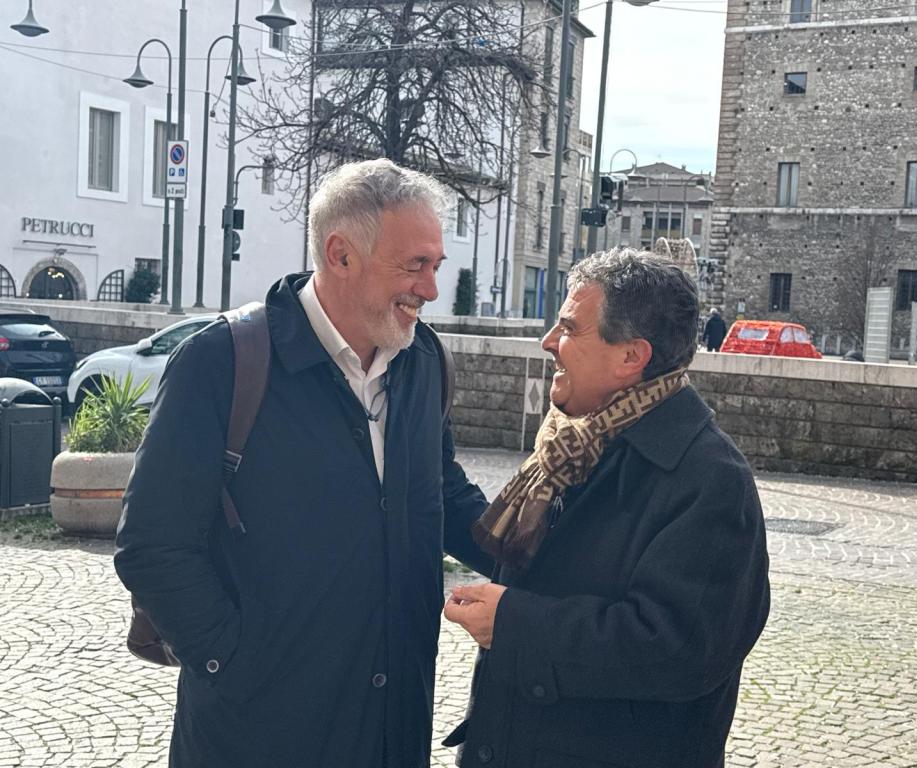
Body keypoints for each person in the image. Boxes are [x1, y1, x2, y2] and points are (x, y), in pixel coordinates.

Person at [115, 159, 491, 768]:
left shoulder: (421, 357)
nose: (430, 288)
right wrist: (232, 663)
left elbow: (441, 491)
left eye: (435, 266)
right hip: (256, 733)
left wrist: (536, 560)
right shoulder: (221, 363)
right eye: (414, 265)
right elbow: (152, 545)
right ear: (340, 255)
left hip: (393, 725)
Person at [443, 249, 770, 768]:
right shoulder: (573, 447)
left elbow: (678, 651)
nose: (549, 342)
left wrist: (516, 623)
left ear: (630, 358)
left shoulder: (710, 480)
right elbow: (521, 558)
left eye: (570, 329)